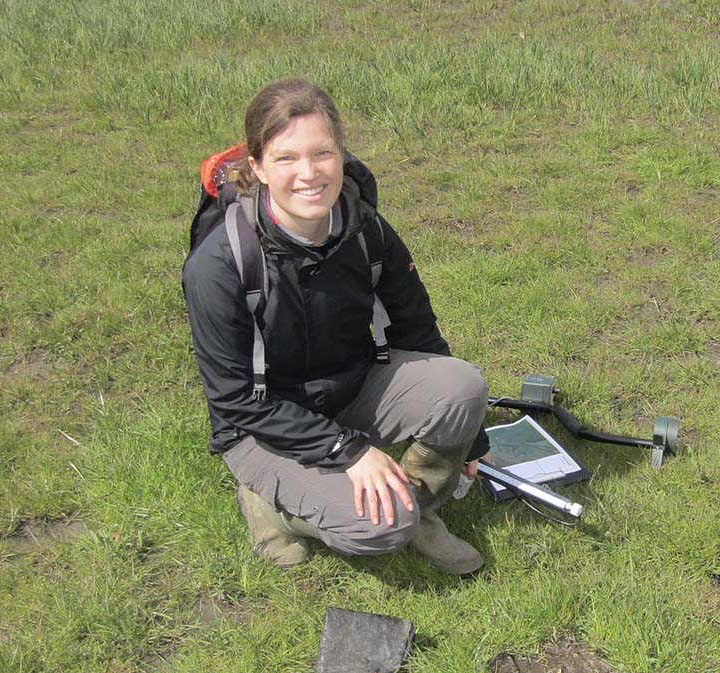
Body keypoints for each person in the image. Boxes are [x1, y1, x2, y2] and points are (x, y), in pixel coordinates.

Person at [182, 78, 491, 576]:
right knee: (379, 528)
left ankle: (420, 512)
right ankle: (270, 504)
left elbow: (417, 330)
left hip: (350, 387)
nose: (308, 174)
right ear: (257, 168)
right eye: (286, 159)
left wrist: (471, 437)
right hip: (260, 428)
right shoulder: (219, 265)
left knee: (463, 385)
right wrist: (347, 451)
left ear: (341, 155)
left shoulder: (365, 227)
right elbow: (234, 401)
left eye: (322, 153)